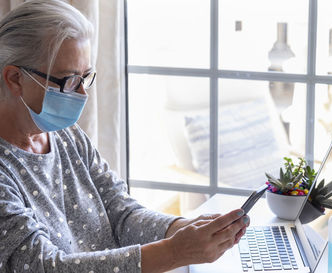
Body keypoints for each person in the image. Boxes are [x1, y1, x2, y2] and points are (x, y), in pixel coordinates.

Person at [0, 1, 250, 272]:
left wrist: (183, 229)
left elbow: (121, 212)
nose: (82, 94)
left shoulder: (68, 137)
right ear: (14, 78)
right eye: (69, 80)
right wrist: (176, 251)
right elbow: (44, 267)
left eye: (85, 77)